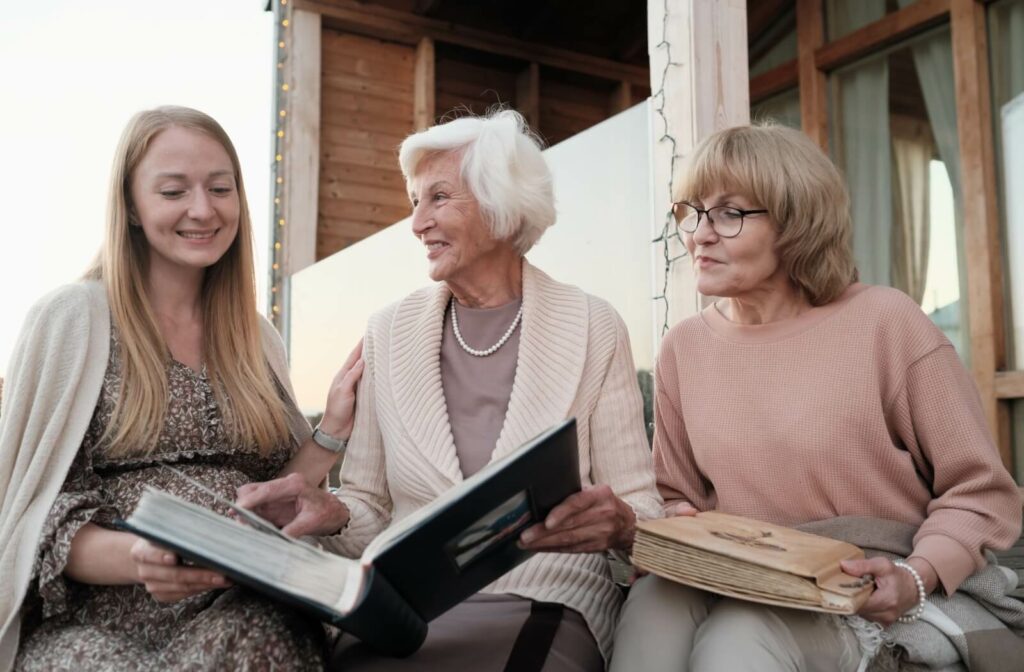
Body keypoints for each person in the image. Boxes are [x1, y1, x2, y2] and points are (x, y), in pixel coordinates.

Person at [236, 109, 663, 671]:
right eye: (415, 201)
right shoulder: (388, 332)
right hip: (403, 610)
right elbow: (367, 503)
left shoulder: (593, 324)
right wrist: (331, 511)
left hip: (543, 600)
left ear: (501, 205)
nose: (417, 223)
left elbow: (642, 506)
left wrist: (623, 527)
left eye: (438, 198)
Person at [609, 123, 1024, 672]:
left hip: (868, 581)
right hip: (741, 571)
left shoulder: (886, 323)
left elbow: (981, 491)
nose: (700, 234)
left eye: (729, 212)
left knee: (739, 639)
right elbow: (677, 492)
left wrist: (915, 576)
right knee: (649, 609)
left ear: (795, 224)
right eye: (693, 210)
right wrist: (678, 525)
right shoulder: (683, 349)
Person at [0, 105, 362, 671]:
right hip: (96, 617)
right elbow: (39, 510)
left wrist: (332, 430)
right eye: (173, 191)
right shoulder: (71, 318)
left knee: (264, 637)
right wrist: (143, 558)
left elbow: (268, 495)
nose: (202, 209)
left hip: (242, 606)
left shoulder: (257, 339)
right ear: (131, 207)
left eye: (220, 188)